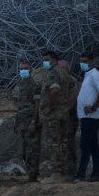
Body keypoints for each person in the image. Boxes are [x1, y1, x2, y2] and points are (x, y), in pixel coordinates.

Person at [73, 52, 99, 183]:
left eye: (85, 61)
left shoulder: (94, 75)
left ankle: (80, 174)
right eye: (81, 61)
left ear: (92, 61)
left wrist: (93, 107)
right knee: (93, 146)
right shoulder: (88, 76)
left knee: (85, 145)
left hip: (91, 117)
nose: (83, 63)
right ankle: (96, 174)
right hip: (86, 116)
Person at [38, 49, 71, 183]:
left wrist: (50, 107)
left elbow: (55, 89)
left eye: (47, 60)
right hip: (63, 113)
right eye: (44, 60)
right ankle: (64, 173)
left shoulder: (52, 73)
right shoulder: (63, 73)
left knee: (54, 144)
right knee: (63, 143)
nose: (45, 63)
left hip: (54, 115)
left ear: (55, 61)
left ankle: (56, 174)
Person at [14, 59, 41, 182]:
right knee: (25, 151)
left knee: (32, 151)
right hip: (22, 123)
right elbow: (20, 106)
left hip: (30, 122)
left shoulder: (33, 85)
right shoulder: (21, 85)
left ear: (30, 70)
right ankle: (30, 174)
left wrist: (33, 122)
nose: (23, 70)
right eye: (21, 68)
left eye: (25, 68)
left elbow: (37, 104)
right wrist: (16, 123)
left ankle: (33, 175)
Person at [58, 60, 80, 178]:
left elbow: (73, 99)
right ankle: (63, 171)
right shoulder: (59, 81)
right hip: (60, 119)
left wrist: (64, 110)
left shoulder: (72, 81)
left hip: (70, 119)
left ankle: (71, 171)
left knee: (69, 145)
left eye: (63, 69)